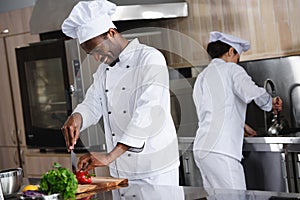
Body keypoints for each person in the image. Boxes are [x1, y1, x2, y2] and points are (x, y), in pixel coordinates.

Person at [60, 0, 179, 185]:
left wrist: (109, 156)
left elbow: (147, 113)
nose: (98, 58)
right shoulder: (103, 71)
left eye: (99, 50)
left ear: (112, 33)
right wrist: (77, 117)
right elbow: (93, 103)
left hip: (154, 171)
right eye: (92, 55)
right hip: (121, 170)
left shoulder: (150, 58)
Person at [192, 31, 283, 190]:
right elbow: (252, 91)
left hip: (202, 149)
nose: (236, 62)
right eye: (237, 57)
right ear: (230, 51)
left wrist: (241, 124)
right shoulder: (231, 69)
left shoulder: (203, 76)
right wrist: (271, 102)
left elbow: (212, 110)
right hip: (222, 150)